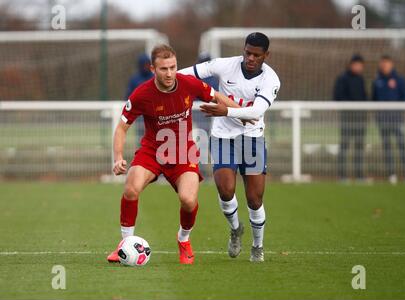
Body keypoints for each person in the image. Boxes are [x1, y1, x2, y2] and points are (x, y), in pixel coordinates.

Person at [107, 44, 247, 265]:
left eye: (173, 67)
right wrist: (118, 158)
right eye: (164, 69)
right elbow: (122, 127)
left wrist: (241, 114)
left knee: (188, 200)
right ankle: (125, 244)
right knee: (131, 188)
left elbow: (216, 96)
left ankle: (184, 240)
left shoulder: (189, 84)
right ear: (153, 69)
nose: (170, 73)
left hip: (184, 152)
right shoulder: (142, 93)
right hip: (152, 151)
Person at [179, 32, 281, 262]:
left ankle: (258, 245)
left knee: (254, 199)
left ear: (266, 55)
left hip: (252, 137)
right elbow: (191, 73)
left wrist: (226, 111)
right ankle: (236, 229)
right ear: (243, 50)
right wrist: (167, 77)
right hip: (223, 136)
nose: (250, 58)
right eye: (247, 53)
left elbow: (255, 113)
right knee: (225, 190)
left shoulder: (271, 79)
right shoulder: (226, 65)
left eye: (256, 55)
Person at [372, 55, 405, 184]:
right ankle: (392, 174)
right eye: (382, 63)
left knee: (401, 146)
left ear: (392, 64)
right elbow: (373, 100)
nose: (384, 66)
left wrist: (398, 111)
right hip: (383, 120)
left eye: (387, 63)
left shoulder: (400, 80)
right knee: (387, 147)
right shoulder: (377, 81)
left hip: (397, 120)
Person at [333, 54, 368, 181]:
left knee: (359, 147)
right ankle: (342, 175)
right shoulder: (342, 78)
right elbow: (337, 96)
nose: (359, 67)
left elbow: (364, 96)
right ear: (351, 64)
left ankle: (359, 175)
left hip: (360, 119)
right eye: (357, 64)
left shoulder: (361, 79)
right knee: (345, 146)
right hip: (347, 118)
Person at [125, 54, 154, 143]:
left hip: (154, 111)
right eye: (144, 64)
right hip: (139, 113)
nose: (146, 66)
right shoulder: (134, 79)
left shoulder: (155, 78)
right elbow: (128, 96)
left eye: (147, 64)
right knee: (141, 135)